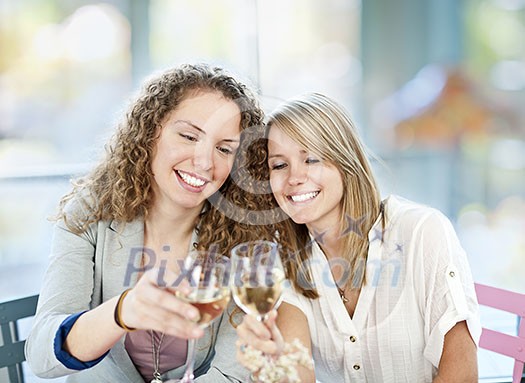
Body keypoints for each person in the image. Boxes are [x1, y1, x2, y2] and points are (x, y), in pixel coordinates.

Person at [25, 63, 274, 382]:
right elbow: (42, 356)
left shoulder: (243, 234)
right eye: (188, 136)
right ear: (151, 131)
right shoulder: (90, 211)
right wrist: (121, 312)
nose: (204, 162)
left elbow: (233, 371)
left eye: (224, 149)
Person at [235, 92, 481, 382]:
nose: (294, 177)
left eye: (311, 158)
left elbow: (462, 373)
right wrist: (274, 366)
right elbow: (297, 373)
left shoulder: (421, 232)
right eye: (279, 165)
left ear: (345, 161)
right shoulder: (287, 262)